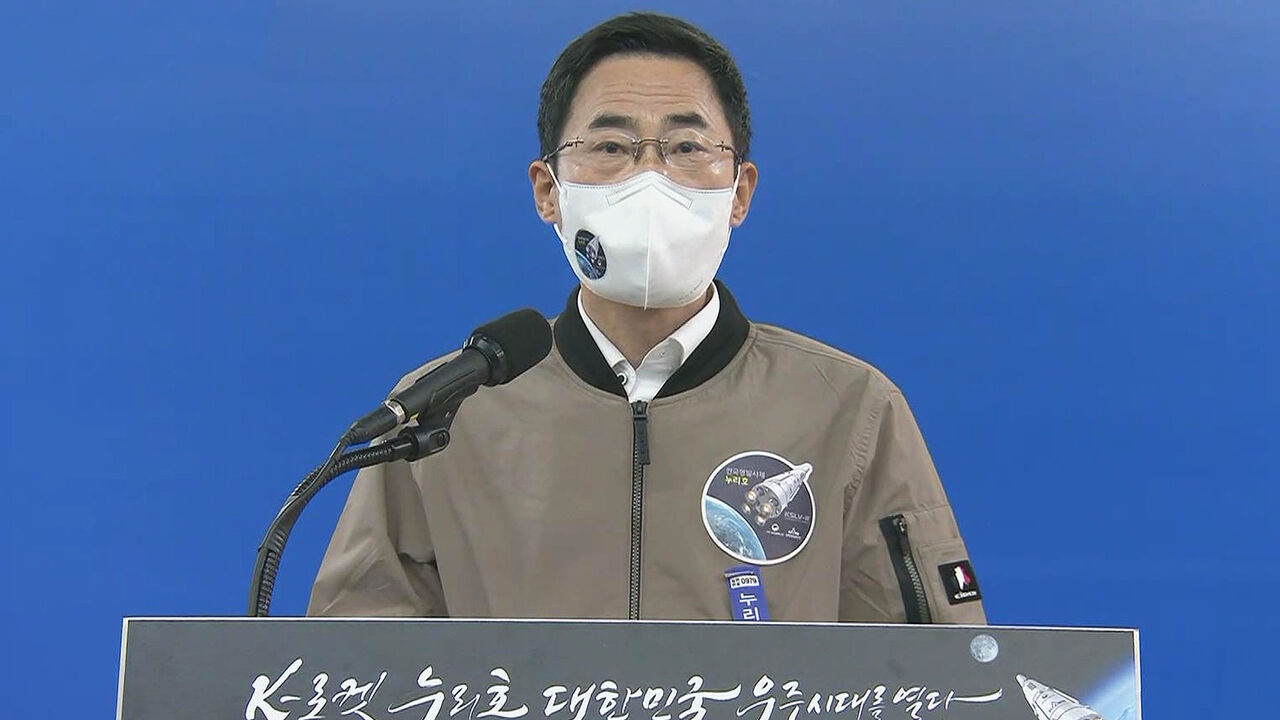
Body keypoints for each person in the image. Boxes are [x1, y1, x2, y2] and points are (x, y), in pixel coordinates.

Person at [309, 12, 985, 624]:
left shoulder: (850, 408)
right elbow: (354, 672)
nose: (650, 178)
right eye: (611, 147)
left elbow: (933, 677)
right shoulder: (445, 412)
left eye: (687, 148)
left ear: (740, 192)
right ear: (548, 191)